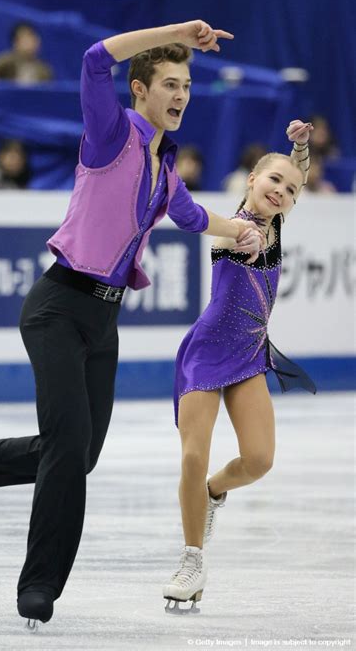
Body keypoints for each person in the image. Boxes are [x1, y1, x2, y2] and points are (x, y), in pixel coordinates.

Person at [0, 19, 263, 628]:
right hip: (58, 308)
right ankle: (40, 587)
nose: (181, 95)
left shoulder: (164, 168)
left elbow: (193, 216)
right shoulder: (111, 134)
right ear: (140, 89)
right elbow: (95, 58)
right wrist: (177, 32)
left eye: (188, 86)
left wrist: (242, 230)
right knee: (66, 450)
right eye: (170, 83)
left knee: (75, 454)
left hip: (103, 324)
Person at [162, 120, 317, 614]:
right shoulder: (238, 226)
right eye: (274, 180)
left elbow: (300, 172)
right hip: (207, 353)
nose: (282, 191)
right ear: (251, 180)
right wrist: (238, 234)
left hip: (250, 357)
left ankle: (214, 492)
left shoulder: (276, 225)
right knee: (192, 455)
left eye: (291, 190)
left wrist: (299, 150)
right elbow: (227, 234)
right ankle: (191, 560)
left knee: (259, 461)